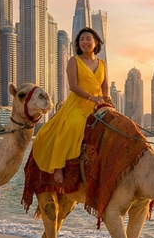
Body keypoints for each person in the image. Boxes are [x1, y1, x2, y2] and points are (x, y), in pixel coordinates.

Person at [32, 27, 109, 183]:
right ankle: (58, 167)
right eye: (81, 39)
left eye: (88, 39)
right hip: (78, 103)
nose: (85, 42)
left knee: (115, 126)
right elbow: (73, 86)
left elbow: (105, 87)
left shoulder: (102, 63)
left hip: (98, 104)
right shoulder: (74, 61)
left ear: (95, 42)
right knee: (72, 125)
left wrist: (106, 101)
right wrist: (91, 98)